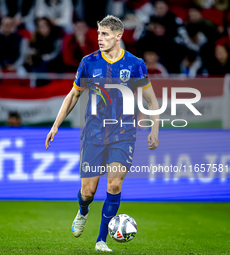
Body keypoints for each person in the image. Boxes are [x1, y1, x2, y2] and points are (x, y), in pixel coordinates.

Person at [45, 15, 160, 252]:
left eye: (105, 34)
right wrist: (55, 125)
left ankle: (101, 240)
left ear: (119, 36)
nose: (99, 38)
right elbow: (74, 95)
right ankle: (83, 210)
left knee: (114, 185)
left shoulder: (135, 64)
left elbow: (151, 99)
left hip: (124, 132)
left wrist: (154, 128)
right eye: (98, 34)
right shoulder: (89, 62)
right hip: (94, 133)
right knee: (88, 191)